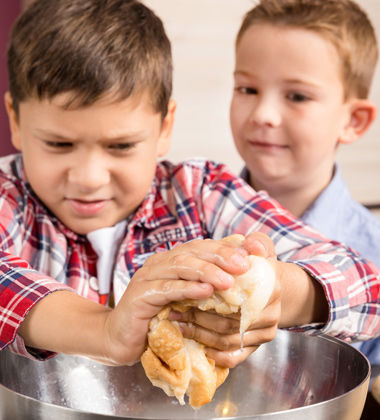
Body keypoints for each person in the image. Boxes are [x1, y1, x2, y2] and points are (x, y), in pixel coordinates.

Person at [0, 0, 378, 370]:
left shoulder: (199, 191)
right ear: (16, 121)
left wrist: (280, 290)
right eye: (58, 144)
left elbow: (366, 284)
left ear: (165, 127)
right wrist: (104, 330)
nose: (88, 177)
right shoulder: (9, 196)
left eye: (121, 146)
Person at [228, 0, 380, 382]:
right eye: (248, 88)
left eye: (296, 96)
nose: (263, 113)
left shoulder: (374, 252)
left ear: (353, 120)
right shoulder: (184, 219)